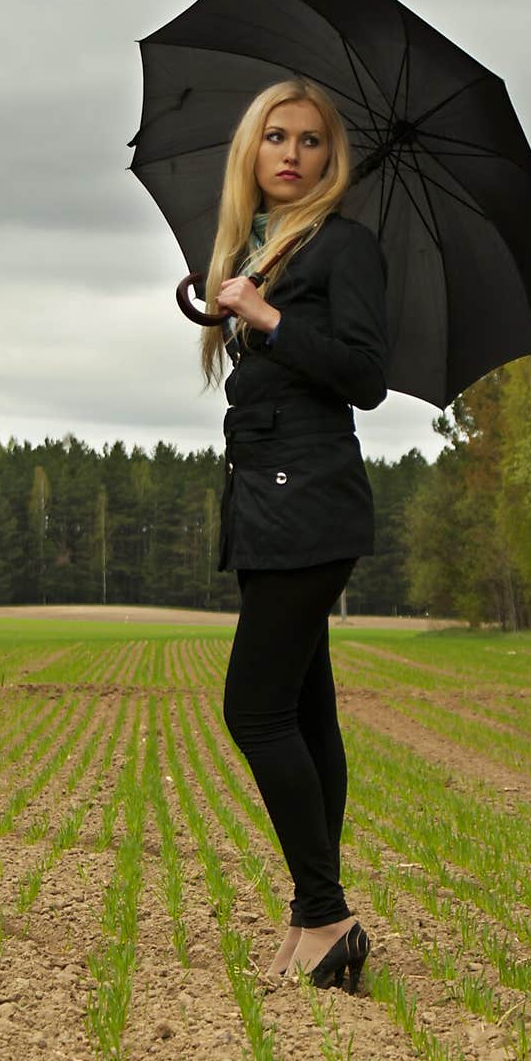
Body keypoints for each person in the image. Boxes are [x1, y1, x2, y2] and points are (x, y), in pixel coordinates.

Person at [200, 77, 389, 993]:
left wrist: (265, 317)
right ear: (252, 148)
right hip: (268, 503)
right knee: (307, 712)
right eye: (275, 135)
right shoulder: (258, 247)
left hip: (309, 501)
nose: (291, 153)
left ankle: (326, 913)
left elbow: (364, 374)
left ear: (331, 157)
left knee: (254, 709)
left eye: (311, 141)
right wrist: (229, 307)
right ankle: (318, 917)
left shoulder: (343, 247)